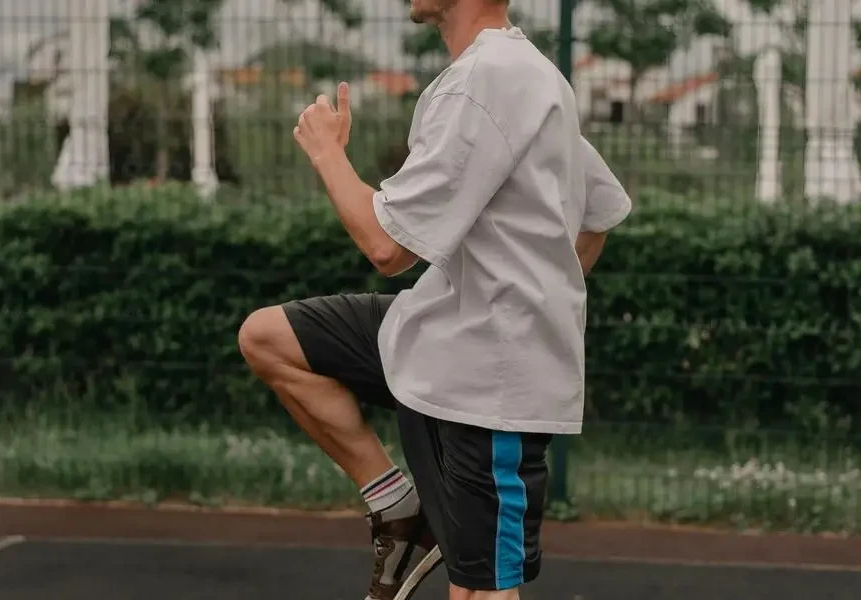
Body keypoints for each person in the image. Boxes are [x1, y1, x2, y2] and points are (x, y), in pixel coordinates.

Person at [238, 0, 632, 598]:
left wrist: (326, 152)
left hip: (491, 387)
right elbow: (599, 215)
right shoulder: (524, 72)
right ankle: (397, 507)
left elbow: (385, 247)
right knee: (269, 339)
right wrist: (539, 290)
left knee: (478, 592)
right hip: (440, 333)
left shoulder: (485, 81)